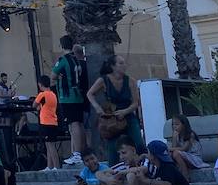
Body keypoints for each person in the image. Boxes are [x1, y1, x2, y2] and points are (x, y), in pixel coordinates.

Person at [87, 55, 143, 163]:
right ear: (113, 66)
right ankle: (114, 171)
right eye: (121, 63)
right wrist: (97, 107)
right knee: (112, 147)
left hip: (128, 115)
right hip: (112, 118)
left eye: (124, 63)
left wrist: (125, 111)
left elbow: (136, 103)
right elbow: (90, 94)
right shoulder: (104, 80)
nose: (124, 65)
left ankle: (143, 166)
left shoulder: (131, 81)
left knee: (138, 143)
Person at [52, 35, 88, 165]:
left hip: (67, 96)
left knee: (73, 124)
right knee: (79, 123)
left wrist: (60, 75)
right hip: (78, 94)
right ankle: (81, 151)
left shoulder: (63, 59)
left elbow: (53, 76)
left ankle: (77, 153)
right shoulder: (76, 59)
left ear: (61, 46)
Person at [33, 75, 62, 171]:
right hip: (53, 122)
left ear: (40, 84)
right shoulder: (53, 94)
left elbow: (34, 105)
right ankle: (50, 166)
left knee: (50, 146)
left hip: (46, 122)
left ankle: (57, 166)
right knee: (49, 144)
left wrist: (39, 106)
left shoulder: (43, 94)